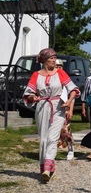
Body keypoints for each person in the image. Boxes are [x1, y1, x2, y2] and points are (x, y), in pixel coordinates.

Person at [22, 48, 79, 182]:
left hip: (58, 107)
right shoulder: (36, 75)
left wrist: (69, 102)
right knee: (43, 138)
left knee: (52, 138)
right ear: (44, 60)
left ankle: (47, 167)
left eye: (55, 58)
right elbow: (27, 95)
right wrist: (33, 98)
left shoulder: (60, 73)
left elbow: (73, 89)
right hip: (42, 106)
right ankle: (46, 170)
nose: (54, 60)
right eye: (51, 58)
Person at [54, 58, 75, 161]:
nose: (58, 68)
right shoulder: (51, 78)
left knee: (65, 131)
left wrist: (70, 110)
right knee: (54, 132)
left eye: (59, 66)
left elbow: (73, 96)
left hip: (65, 108)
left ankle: (70, 149)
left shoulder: (66, 79)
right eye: (56, 66)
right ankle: (51, 153)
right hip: (53, 109)